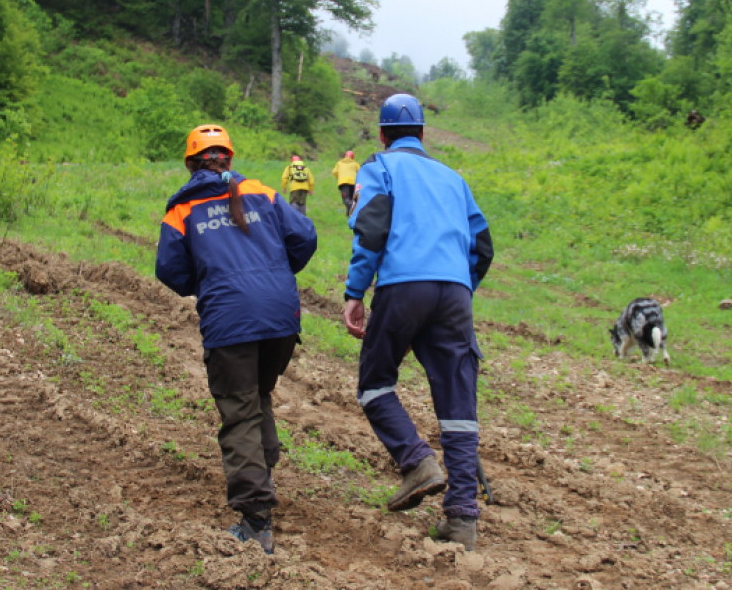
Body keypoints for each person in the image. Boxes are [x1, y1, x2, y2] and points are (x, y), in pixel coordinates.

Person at [156, 125, 317, 555]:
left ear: (192, 163)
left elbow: (170, 270)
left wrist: (210, 284)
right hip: (281, 315)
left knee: (240, 410)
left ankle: (256, 520)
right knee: (257, 394)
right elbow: (305, 236)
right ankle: (261, 475)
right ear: (227, 158)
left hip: (231, 319)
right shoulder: (263, 192)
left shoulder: (182, 210)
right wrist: (275, 275)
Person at [342, 95, 494, 551]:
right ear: (424, 134)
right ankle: (462, 520)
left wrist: (354, 293)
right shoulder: (454, 179)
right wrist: (458, 287)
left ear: (383, 135)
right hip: (455, 294)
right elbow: (482, 248)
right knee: (458, 407)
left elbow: (371, 230)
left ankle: (417, 462)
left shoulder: (378, 167)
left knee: (374, 384)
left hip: (403, 287)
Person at [332, 150, 360, 216]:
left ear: (345, 156)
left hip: (344, 183)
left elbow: (334, 172)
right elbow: (360, 172)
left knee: (346, 199)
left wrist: (340, 177)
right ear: (352, 157)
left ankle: (351, 208)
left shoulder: (340, 163)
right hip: (353, 182)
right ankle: (349, 214)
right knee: (351, 198)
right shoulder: (355, 163)